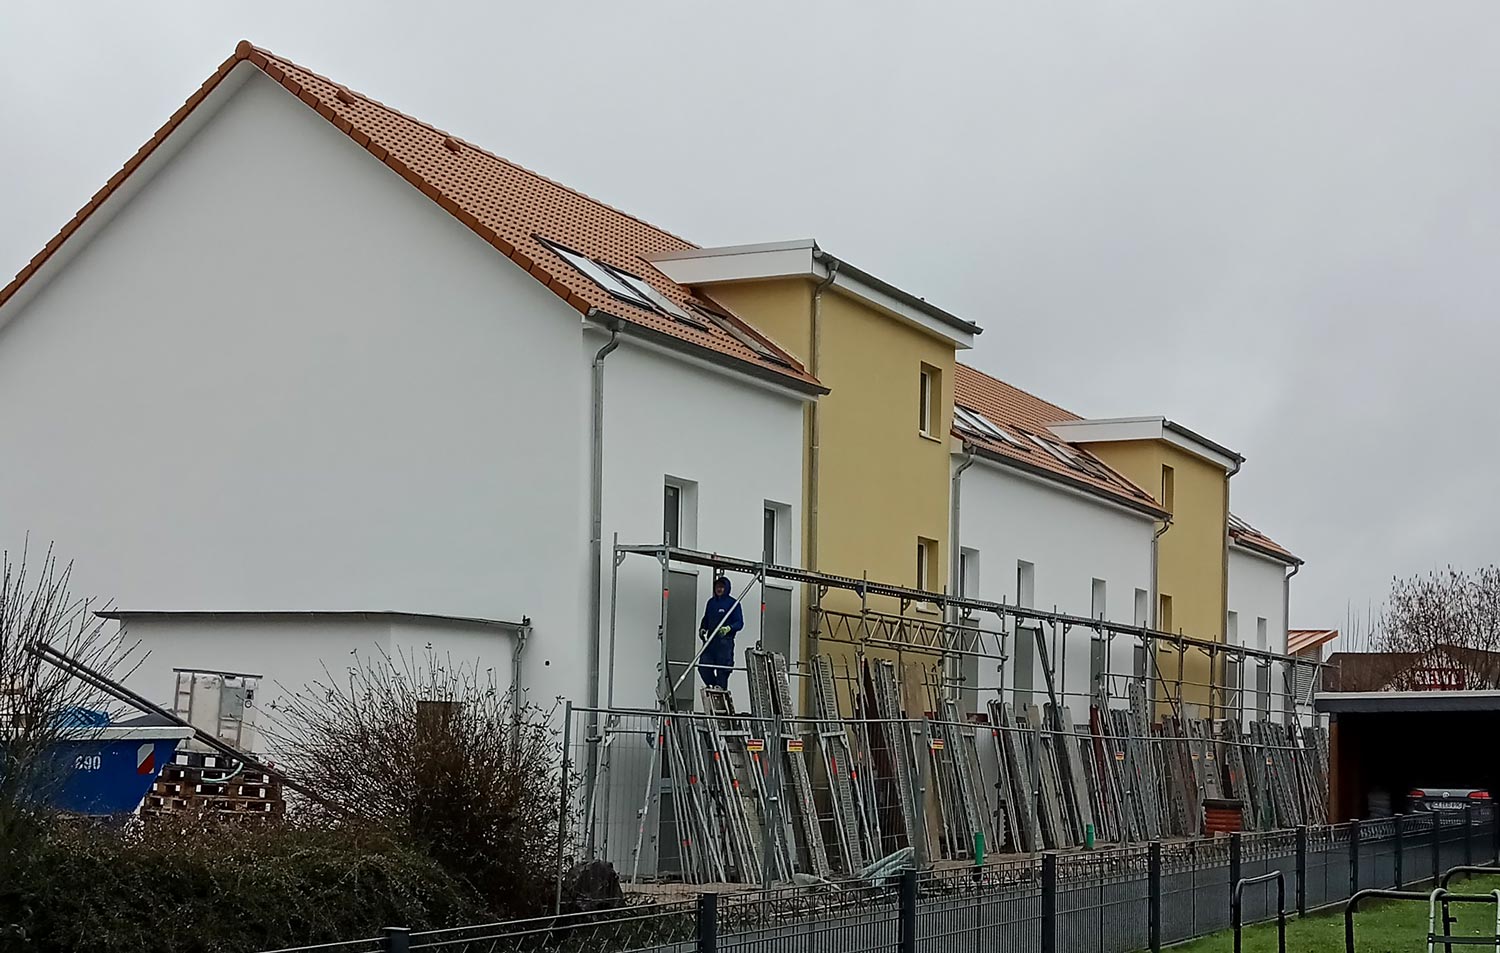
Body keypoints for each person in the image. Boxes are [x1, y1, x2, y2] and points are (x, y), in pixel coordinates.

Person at [698, 575, 743, 690]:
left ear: (727, 588)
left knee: (722, 670)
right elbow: (706, 618)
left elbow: (739, 623)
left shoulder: (733, 604)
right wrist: (703, 628)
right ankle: (713, 686)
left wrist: (729, 628)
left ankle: (720, 690)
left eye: (722, 587)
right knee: (703, 667)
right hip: (711, 641)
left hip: (725, 643)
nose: (719, 589)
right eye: (717, 587)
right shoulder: (711, 603)